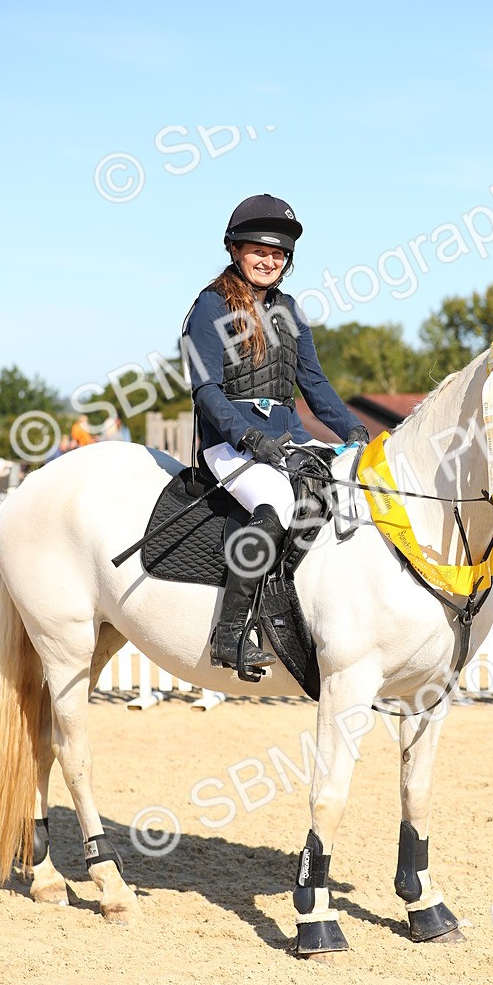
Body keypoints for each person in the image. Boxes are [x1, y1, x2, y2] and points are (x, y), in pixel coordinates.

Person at [182, 193, 369, 676]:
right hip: (229, 444)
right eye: (258, 251)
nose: (268, 261)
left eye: (278, 254)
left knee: (347, 491)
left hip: (287, 437)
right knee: (278, 503)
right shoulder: (210, 306)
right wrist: (248, 437)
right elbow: (206, 389)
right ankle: (230, 635)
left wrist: (352, 428)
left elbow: (314, 383)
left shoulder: (290, 310)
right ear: (235, 250)